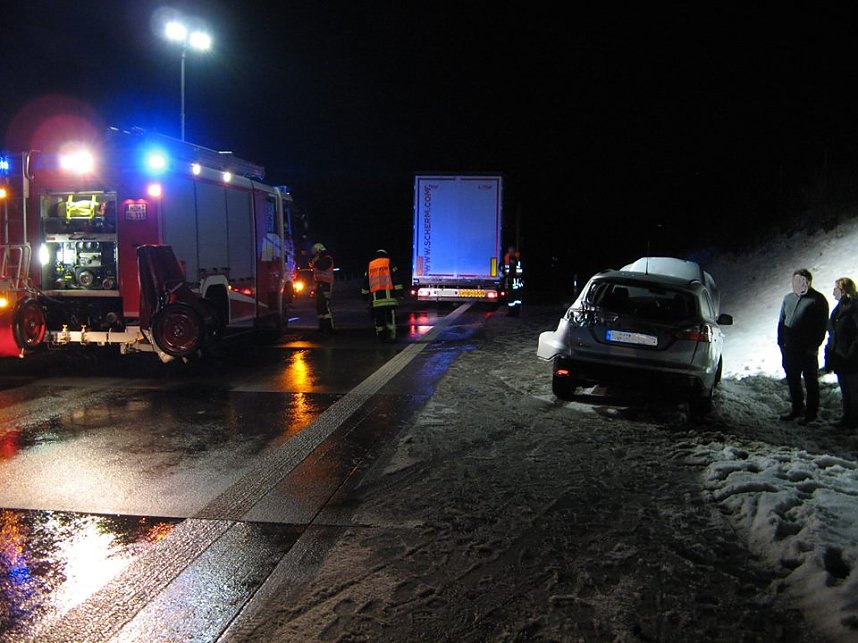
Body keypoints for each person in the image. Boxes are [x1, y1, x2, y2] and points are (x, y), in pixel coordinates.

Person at [777, 268, 829, 424]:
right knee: (793, 380)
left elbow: (821, 326)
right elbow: (781, 321)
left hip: (807, 350)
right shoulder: (788, 299)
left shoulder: (817, 300)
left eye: (801, 281)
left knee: (810, 381)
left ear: (809, 282)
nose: (798, 284)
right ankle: (797, 409)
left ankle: (811, 413)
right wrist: (781, 342)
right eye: (795, 281)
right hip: (789, 349)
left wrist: (814, 346)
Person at [824, 277, 858, 428]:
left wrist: (852, 349)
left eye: (836, 289)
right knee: (845, 388)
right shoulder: (838, 308)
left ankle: (854, 419)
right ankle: (847, 417)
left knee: (854, 389)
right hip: (839, 354)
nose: (833, 292)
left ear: (844, 290)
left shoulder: (855, 308)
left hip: (852, 356)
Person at [361, 249, 404, 341]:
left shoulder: (370, 265)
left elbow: (366, 282)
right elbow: (396, 278)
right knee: (390, 317)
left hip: (376, 300)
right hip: (390, 298)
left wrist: (364, 295)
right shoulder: (389, 262)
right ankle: (393, 335)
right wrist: (399, 292)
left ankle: (381, 337)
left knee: (379, 319)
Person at [309, 242, 335, 333]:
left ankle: (329, 328)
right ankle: (322, 327)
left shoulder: (327, 259)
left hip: (326, 285)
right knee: (319, 307)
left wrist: (314, 262)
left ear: (318, 250)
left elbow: (321, 266)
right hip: (319, 285)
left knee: (325, 306)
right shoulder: (318, 259)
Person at [502, 245, 524, 316]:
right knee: (511, 298)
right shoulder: (507, 258)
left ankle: (515, 312)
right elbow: (506, 269)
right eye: (509, 251)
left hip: (516, 282)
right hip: (511, 281)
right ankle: (512, 312)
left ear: (514, 251)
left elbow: (519, 271)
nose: (510, 252)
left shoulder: (518, 258)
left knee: (516, 298)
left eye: (511, 251)